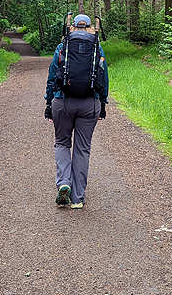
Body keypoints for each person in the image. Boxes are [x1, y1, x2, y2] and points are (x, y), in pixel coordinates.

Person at [45, 14, 108, 209]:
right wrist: (102, 104)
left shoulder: (63, 46)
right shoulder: (97, 47)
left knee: (62, 143)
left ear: (72, 26)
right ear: (90, 27)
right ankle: (78, 199)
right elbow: (103, 77)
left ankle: (64, 183)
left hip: (63, 101)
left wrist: (49, 104)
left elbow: (52, 75)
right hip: (89, 103)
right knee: (82, 150)